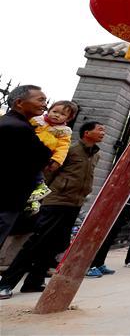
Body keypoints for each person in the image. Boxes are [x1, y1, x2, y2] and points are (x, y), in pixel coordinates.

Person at [0, 122, 104, 298]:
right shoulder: (70, 150)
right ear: (87, 133)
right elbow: (50, 174)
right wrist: (43, 195)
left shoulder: (96, 154)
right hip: (56, 201)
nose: (103, 133)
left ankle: (34, 281)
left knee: (56, 244)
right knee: (37, 242)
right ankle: (6, 283)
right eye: (99, 129)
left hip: (74, 203)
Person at [0, 85, 51, 250]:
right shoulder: (17, 128)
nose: (45, 104)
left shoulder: (11, 123)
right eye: (40, 99)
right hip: (7, 198)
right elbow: (41, 157)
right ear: (20, 102)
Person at [26, 100, 79, 214]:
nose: (57, 115)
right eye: (55, 111)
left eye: (62, 114)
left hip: (42, 156)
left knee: (36, 175)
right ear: (49, 111)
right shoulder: (36, 120)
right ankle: (33, 198)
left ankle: (37, 194)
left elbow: (63, 147)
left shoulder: (63, 131)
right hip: (28, 151)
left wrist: (57, 160)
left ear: (68, 119)